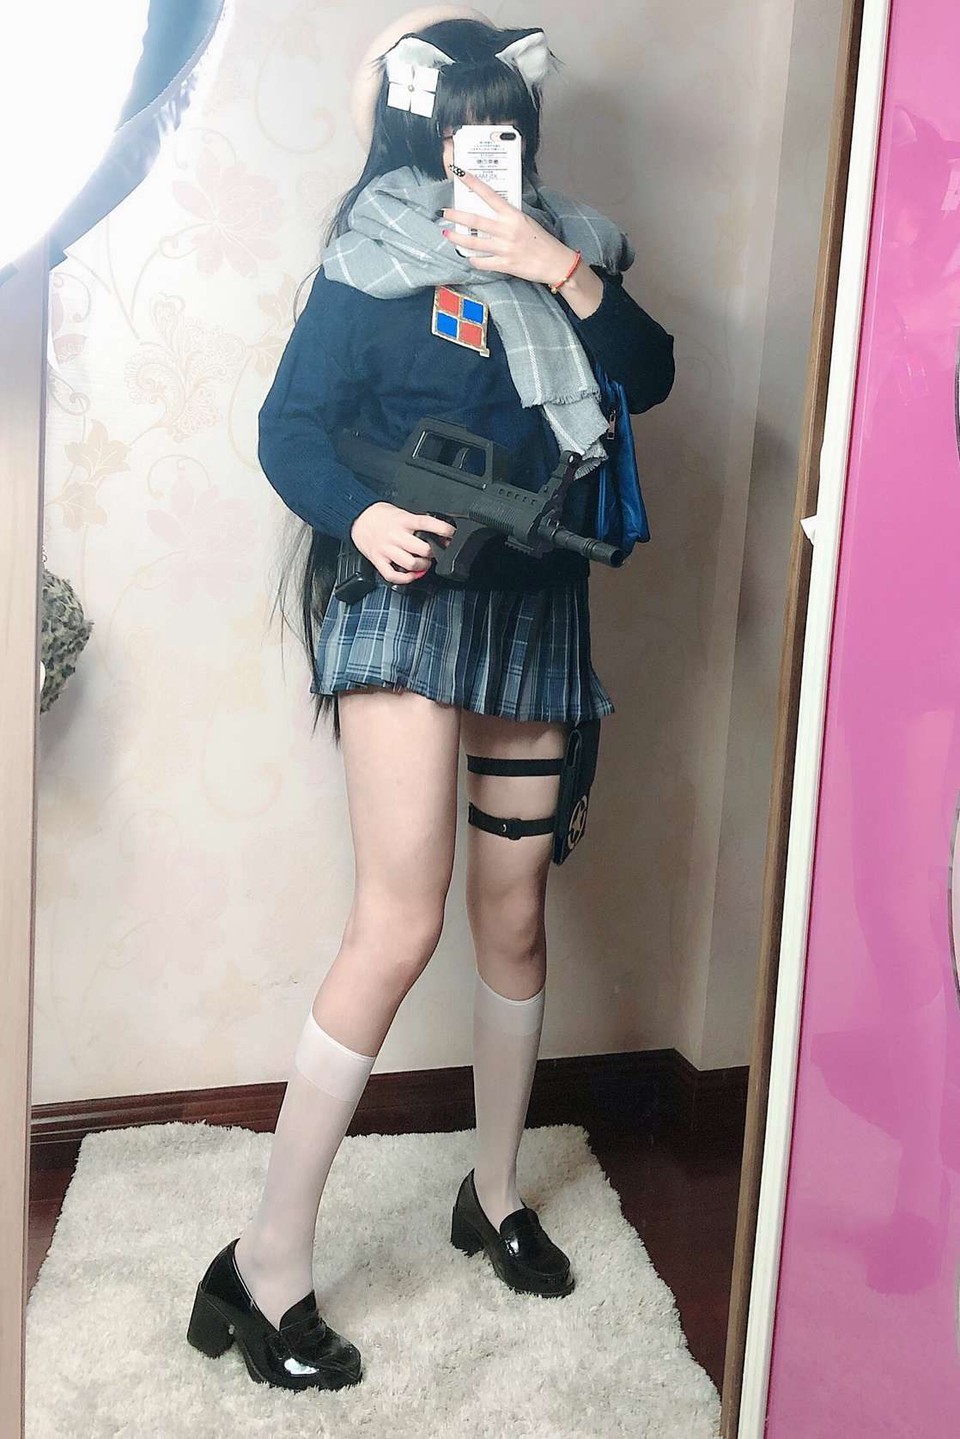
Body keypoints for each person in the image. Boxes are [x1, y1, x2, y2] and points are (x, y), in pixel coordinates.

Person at [186, 15, 674, 1391]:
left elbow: (649, 376)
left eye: (501, 123)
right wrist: (363, 516)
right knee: (399, 922)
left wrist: (554, 264)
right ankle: (263, 1264)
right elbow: (290, 426)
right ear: (418, 129)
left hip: (534, 603)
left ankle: (494, 1195)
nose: (480, 147)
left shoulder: (571, 247)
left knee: (514, 912)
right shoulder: (372, 250)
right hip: (406, 600)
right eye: (457, 124)